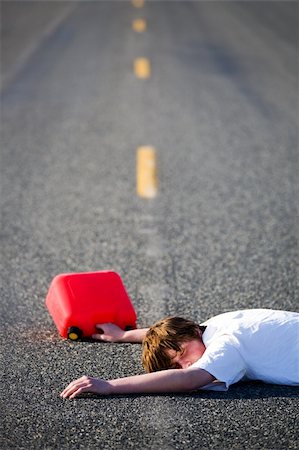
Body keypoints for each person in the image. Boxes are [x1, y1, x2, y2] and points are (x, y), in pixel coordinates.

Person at [60, 309, 299, 399]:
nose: (187, 364)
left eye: (183, 354)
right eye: (177, 365)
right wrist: (123, 336)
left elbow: (190, 379)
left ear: (195, 331)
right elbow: (173, 335)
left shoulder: (226, 346)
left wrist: (110, 385)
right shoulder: (214, 325)